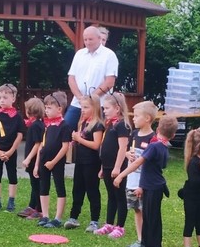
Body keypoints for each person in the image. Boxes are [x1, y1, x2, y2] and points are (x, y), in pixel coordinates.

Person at [114, 114, 179, 247]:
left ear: (158, 129)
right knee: (147, 217)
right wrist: (141, 187)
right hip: (150, 186)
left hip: (154, 187)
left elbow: (138, 163)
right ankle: (144, 245)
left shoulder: (154, 146)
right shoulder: (163, 146)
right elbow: (154, 168)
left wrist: (121, 175)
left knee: (152, 219)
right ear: (173, 135)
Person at [65, 25, 118, 131]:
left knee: (94, 134)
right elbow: (71, 78)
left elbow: (109, 82)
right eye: (85, 39)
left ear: (99, 38)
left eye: (90, 39)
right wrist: (80, 98)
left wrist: (91, 98)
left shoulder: (109, 55)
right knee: (65, 129)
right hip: (78, 103)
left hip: (99, 104)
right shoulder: (79, 54)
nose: (88, 42)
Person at [94, 92, 132, 238]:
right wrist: (102, 167)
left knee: (120, 196)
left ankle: (120, 226)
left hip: (118, 167)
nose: (104, 111)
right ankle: (109, 224)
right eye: (103, 108)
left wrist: (117, 167)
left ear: (117, 108)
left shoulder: (122, 125)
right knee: (111, 196)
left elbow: (122, 148)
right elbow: (105, 146)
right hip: (107, 166)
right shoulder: (110, 124)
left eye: (107, 108)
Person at [65, 95, 105, 230]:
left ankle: (94, 220)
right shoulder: (82, 122)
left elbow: (96, 145)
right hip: (80, 161)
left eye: (86, 107)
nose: (83, 110)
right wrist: (75, 141)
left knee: (92, 190)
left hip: (92, 162)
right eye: (82, 107)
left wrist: (79, 139)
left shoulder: (97, 125)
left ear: (95, 107)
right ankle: (73, 217)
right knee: (77, 189)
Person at [34, 91, 71, 228]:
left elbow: (65, 147)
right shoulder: (47, 125)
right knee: (44, 187)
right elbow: (41, 145)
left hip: (56, 162)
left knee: (59, 187)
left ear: (59, 109)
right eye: (46, 107)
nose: (46, 110)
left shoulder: (64, 126)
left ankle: (57, 218)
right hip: (44, 160)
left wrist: (53, 162)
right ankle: (45, 215)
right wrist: (37, 165)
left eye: (49, 108)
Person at [124, 101, 158, 247]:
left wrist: (142, 185)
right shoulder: (134, 134)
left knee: (146, 211)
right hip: (131, 180)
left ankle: (147, 241)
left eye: (137, 116)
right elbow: (127, 150)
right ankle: (139, 239)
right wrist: (127, 154)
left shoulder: (153, 138)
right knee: (137, 209)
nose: (133, 119)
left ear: (147, 118)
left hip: (144, 182)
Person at [0, 84, 25, 212]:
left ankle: (11, 202)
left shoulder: (17, 116)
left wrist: (11, 151)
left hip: (11, 150)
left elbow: (20, 135)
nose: (2, 100)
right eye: (0, 97)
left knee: (12, 174)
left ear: (13, 98)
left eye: (5, 97)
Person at [18, 97, 45, 220]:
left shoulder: (35, 126)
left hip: (35, 161)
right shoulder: (37, 124)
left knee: (36, 185)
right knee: (34, 185)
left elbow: (37, 144)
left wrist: (28, 159)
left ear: (29, 111)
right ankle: (32, 206)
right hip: (33, 161)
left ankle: (39, 209)